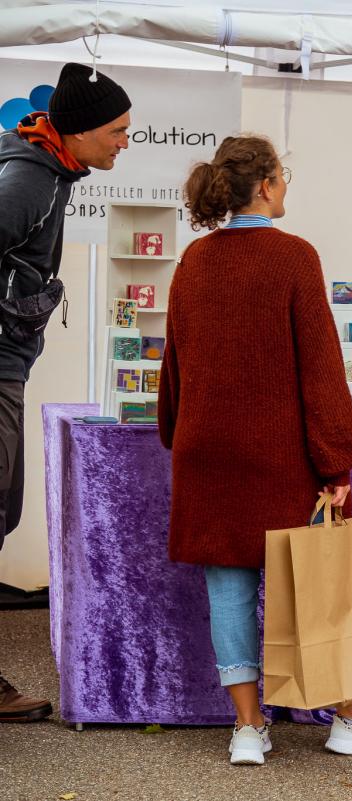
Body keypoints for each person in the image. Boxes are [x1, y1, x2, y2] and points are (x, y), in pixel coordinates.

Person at [160, 135, 352, 765]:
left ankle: (249, 729)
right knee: (312, 584)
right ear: (268, 186)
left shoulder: (194, 260)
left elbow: (176, 362)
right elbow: (321, 370)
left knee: (228, 587)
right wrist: (337, 462)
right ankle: (348, 717)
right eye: (284, 175)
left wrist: (179, 433)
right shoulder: (294, 257)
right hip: (278, 454)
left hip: (207, 452)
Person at [0, 62, 131, 724]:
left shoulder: (47, 173)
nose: (124, 142)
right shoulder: (28, 181)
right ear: (77, 132)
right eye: (116, 130)